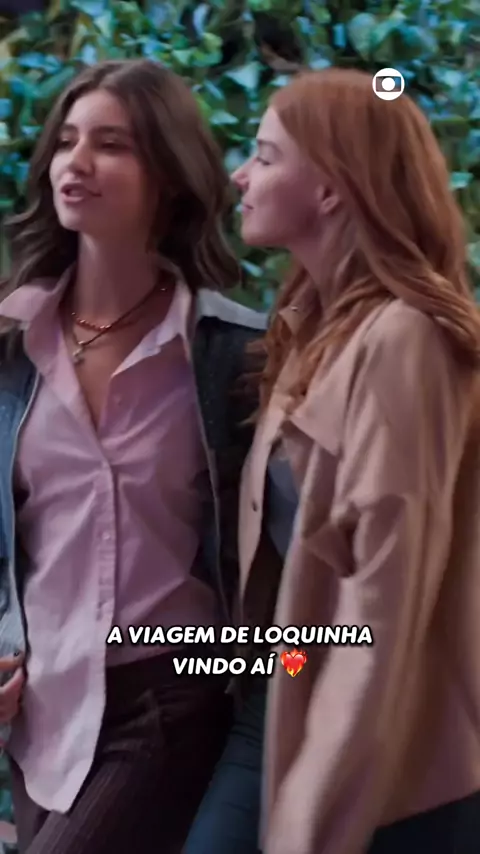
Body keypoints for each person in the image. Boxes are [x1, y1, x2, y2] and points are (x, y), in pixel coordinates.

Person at [184, 68, 480, 854]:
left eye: (265, 155)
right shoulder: (308, 326)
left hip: (390, 751)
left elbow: (383, 597)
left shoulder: (405, 340)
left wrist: (317, 806)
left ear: (331, 188)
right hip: (284, 687)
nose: (241, 176)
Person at [0, 58, 266, 854]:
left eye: (110, 145)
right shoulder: (11, 343)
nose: (76, 163)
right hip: (42, 713)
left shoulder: (232, 353)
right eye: (66, 142)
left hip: (174, 695)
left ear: (171, 178)